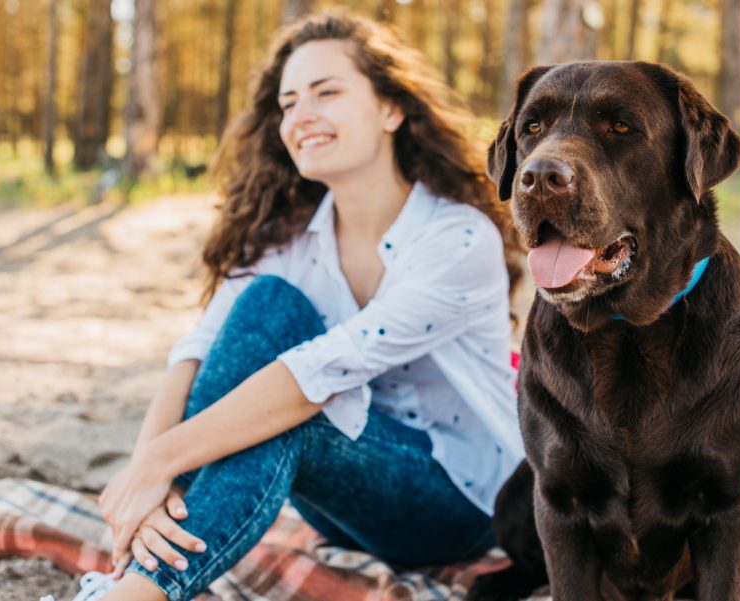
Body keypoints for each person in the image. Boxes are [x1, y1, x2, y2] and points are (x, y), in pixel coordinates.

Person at [43, 11, 525, 601]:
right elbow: (197, 349)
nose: (301, 116)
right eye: (289, 102)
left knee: (292, 407)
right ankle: (138, 580)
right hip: (342, 500)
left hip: (459, 506)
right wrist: (150, 469)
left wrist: (162, 460)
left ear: (391, 110)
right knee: (269, 305)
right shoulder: (294, 239)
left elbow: (318, 376)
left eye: (327, 92)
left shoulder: (457, 239)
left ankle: (134, 594)